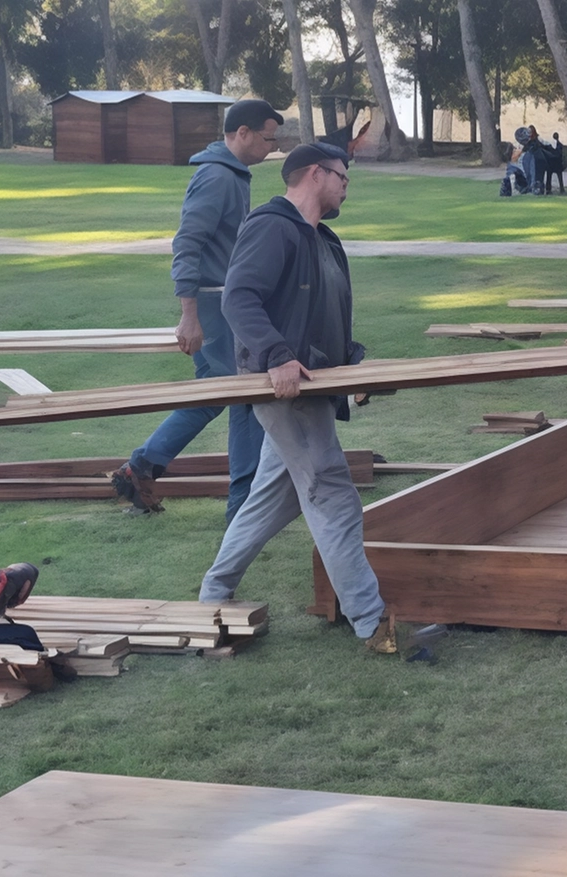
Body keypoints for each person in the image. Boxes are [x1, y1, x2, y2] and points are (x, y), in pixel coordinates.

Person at [197, 142, 396, 654]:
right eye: (342, 176)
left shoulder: (323, 241)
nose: (347, 185)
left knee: (272, 498)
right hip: (287, 389)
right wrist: (277, 355)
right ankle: (372, 624)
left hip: (315, 387)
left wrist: (354, 368)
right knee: (333, 494)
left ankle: (213, 592)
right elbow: (239, 297)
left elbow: (329, 319)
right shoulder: (271, 225)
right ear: (314, 174)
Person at [109, 98, 283, 521]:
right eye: (268, 138)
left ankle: (142, 467)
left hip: (224, 300)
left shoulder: (233, 174)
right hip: (212, 301)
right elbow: (187, 243)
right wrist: (190, 314)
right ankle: (244, 508)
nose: (273, 148)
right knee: (243, 394)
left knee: (212, 394)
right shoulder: (218, 177)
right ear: (241, 133)